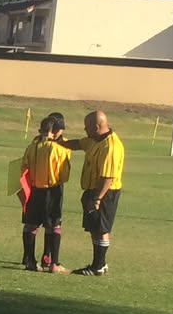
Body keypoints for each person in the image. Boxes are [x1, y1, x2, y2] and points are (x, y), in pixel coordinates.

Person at [61, 110, 124, 275]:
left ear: (96, 127)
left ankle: (98, 266)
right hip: (93, 191)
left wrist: (97, 199)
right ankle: (99, 264)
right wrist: (59, 142)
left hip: (104, 192)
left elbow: (107, 177)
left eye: (86, 127)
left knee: (101, 229)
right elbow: (78, 144)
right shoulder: (94, 140)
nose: (84, 130)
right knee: (95, 228)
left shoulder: (110, 146)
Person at [19, 112, 71, 271]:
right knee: (54, 225)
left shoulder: (32, 147)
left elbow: (23, 167)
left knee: (30, 225)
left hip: (33, 190)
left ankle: (30, 260)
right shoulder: (58, 148)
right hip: (52, 190)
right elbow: (64, 174)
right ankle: (53, 263)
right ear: (55, 132)